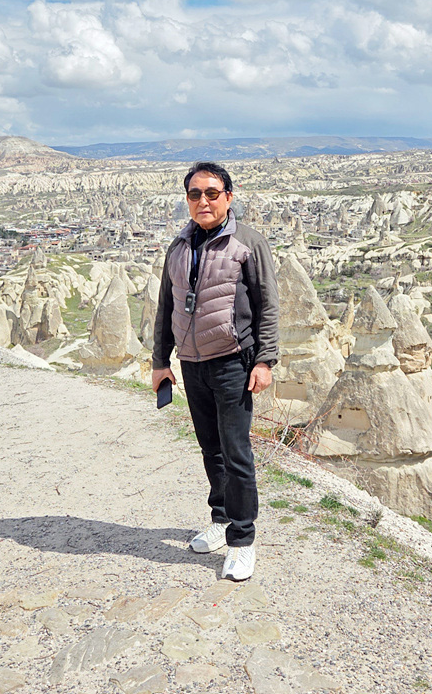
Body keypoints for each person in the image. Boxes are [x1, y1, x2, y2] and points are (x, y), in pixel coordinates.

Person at [152, 161, 278, 581]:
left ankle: (242, 540)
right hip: (192, 363)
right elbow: (166, 306)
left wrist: (265, 360)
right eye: (194, 194)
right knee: (211, 449)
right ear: (187, 199)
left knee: (236, 452)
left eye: (211, 193)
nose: (202, 201)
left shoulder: (248, 243)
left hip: (232, 362)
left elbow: (267, 305)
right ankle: (222, 520)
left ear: (228, 196)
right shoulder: (179, 246)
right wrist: (160, 362)